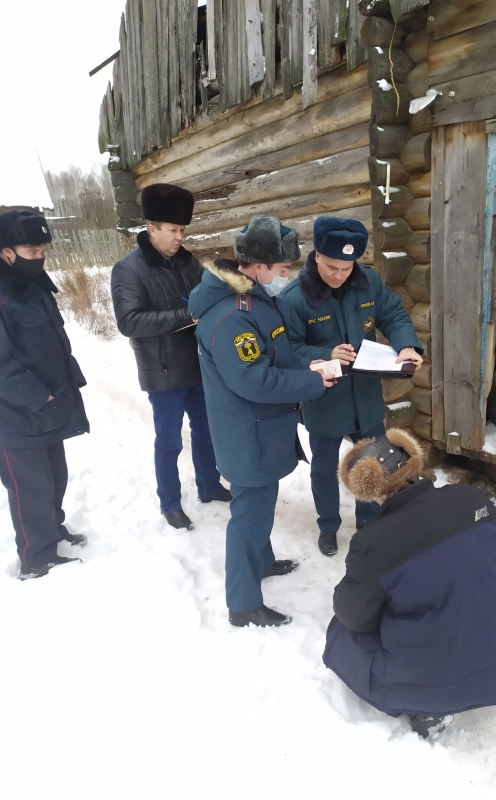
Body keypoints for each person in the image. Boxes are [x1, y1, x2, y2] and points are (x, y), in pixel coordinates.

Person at [323, 428, 496, 741]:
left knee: (339, 636)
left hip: (437, 681)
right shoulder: (471, 497)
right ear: (413, 465)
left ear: (372, 492)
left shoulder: (373, 543)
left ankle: (428, 709)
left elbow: (355, 617)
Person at [188, 215, 334, 627]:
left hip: (261, 430)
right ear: (257, 267)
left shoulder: (258, 301)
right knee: (249, 515)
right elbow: (255, 379)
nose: (287, 277)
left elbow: (279, 355)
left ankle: (263, 562)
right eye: (283, 269)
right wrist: (312, 382)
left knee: (261, 506)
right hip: (247, 433)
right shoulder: (232, 318)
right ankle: (243, 603)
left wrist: (318, 361)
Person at [281, 216, 423, 556]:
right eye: (332, 266)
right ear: (316, 255)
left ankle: (370, 519)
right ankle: (328, 525)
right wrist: (324, 353)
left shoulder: (368, 281)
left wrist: (406, 345)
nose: (338, 274)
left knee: (374, 461)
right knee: (325, 467)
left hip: (366, 395)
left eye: (346, 267)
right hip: (326, 398)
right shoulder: (295, 297)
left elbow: (394, 314)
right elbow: (288, 349)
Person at [111, 183, 229, 531]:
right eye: (173, 230)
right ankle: (170, 502)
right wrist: (186, 316)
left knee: (207, 430)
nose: (179, 236)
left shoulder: (188, 262)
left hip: (198, 365)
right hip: (163, 371)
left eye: (182, 230)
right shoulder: (128, 270)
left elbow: (208, 295)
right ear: (152, 228)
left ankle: (209, 485)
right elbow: (128, 321)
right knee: (169, 439)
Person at [0, 210, 90, 579]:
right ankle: (36, 556)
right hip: (15, 413)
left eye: (42, 249)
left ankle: (52, 529)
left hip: (48, 403)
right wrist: (40, 395)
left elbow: (51, 339)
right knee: (29, 487)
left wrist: (68, 380)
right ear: (5, 251)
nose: (39, 256)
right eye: (30, 249)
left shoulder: (31, 281)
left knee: (55, 476)